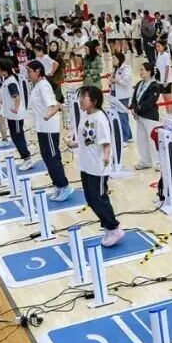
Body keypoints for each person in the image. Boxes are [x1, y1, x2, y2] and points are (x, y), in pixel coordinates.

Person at [71, 86, 125, 246]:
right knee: (90, 199)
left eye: (84, 98)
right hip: (86, 164)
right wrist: (74, 143)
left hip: (98, 166)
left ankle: (114, 228)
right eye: (80, 97)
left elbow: (106, 142)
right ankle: (108, 226)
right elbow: (86, 139)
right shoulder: (84, 115)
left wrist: (106, 157)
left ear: (94, 101)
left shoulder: (100, 119)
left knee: (99, 198)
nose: (81, 101)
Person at [27, 60, 72, 201]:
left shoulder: (43, 86)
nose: (28, 74)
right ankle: (57, 185)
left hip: (49, 128)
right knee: (46, 156)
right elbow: (55, 102)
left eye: (29, 71)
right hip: (42, 127)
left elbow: (54, 106)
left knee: (53, 157)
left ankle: (64, 186)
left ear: (37, 71)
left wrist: (48, 115)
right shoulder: (38, 85)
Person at [0, 58, 34, 171]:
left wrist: (16, 108)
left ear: (4, 70)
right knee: (15, 137)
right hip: (11, 116)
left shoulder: (11, 82)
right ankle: (25, 158)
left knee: (18, 137)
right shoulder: (8, 80)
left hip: (16, 116)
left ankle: (27, 159)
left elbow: (17, 97)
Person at [130, 61, 162, 170]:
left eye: (142, 70)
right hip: (140, 116)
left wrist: (138, 109)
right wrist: (133, 107)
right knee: (141, 140)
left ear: (149, 72)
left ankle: (158, 162)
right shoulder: (140, 83)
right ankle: (145, 161)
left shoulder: (154, 86)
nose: (140, 72)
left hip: (150, 116)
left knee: (152, 140)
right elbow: (134, 98)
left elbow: (150, 102)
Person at [110, 52, 134, 143]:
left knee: (122, 117)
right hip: (114, 94)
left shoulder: (126, 68)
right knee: (120, 116)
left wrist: (115, 80)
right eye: (112, 59)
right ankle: (128, 135)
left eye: (114, 59)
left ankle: (125, 138)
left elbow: (125, 82)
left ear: (119, 59)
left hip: (123, 96)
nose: (112, 60)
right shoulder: (115, 69)